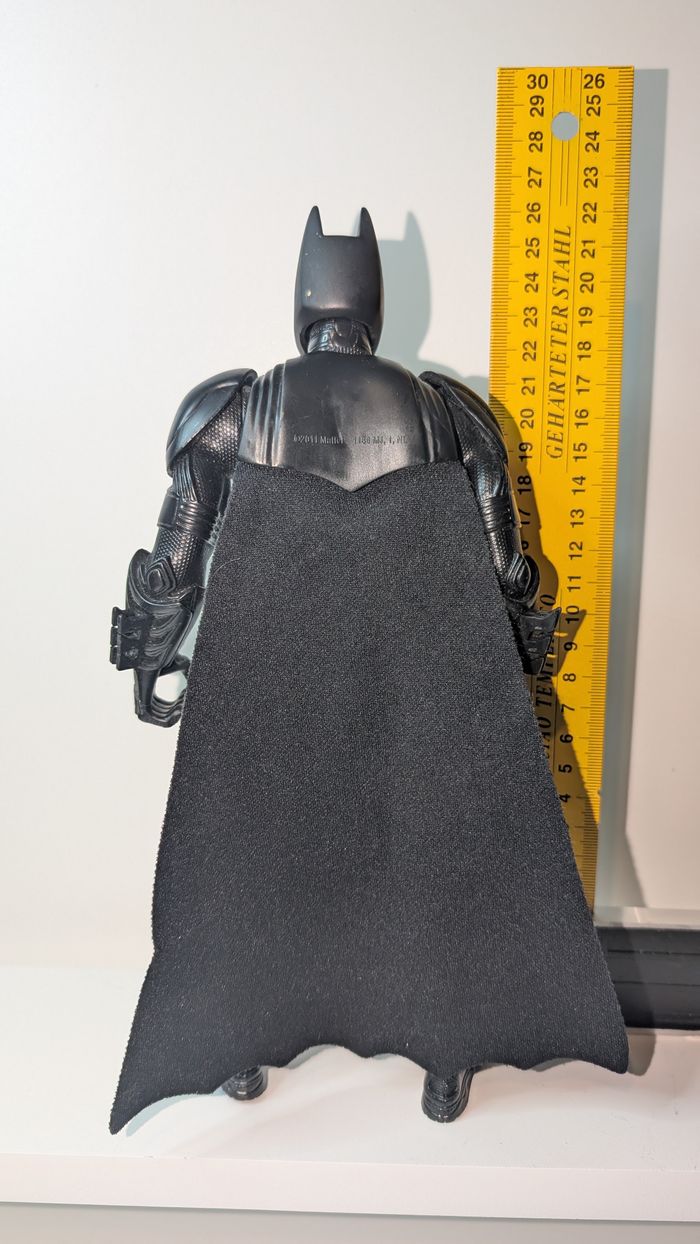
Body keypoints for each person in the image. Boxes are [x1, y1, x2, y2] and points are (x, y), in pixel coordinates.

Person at [108, 207, 628, 1132]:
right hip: (418, 675)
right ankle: (445, 1058)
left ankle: (236, 1046)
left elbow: (172, 564)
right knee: (436, 858)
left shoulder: (234, 412)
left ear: (302, 301)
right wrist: (522, 669)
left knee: (248, 857)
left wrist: (147, 664)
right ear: (374, 307)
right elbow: (508, 568)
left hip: (271, 673)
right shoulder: (448, 415)